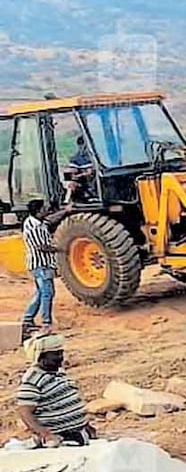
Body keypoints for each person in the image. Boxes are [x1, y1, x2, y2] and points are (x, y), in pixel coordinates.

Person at [17, 333, 93, 447]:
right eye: (55, 355)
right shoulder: (32, 380)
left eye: (61, 353)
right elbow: (25, 412)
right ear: (41, 357)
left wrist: (85, 425)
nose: (60, 357)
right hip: (60, 440)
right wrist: (45, 434)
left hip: (78, 435)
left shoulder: (58, 372)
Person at [21, 199, 58, 342]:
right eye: (44, 209)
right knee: (48, 293)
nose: (47, 211)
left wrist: (65, 211)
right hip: (41, 265)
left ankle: (28, 319)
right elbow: (41, 246)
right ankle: (46, 323)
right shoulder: (34, 227)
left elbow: (50, 220)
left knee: (40, 293)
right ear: (38, 211)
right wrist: (60, 249)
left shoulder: (36, 222)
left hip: (40, 265)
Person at [65, 136, 95, 204]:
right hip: (86, 187)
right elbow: (70, 175)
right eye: (81, 144)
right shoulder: (76, 159)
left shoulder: (100, 157)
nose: (83, 147)